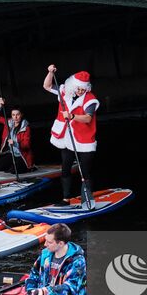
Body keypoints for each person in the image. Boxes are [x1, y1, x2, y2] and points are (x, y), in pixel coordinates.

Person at [43, 65, 99, 207]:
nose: (80, 91)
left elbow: (87, 118)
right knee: (65, 168)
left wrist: (72, 116)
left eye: (83, 89)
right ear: (73, 86)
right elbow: (47, 85)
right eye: (78, 88)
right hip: (67, 138)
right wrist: (50, 72)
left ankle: (86, 198)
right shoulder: (64, 92)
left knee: (85, 171)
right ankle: (66, 198)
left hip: (84, 139)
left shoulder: (90, 99)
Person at [0, 98, 34, 173]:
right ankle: (12, 166)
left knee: (13, 171)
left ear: (21, 115)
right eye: (13, 115)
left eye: (18, 114)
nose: (15, 117)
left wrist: (14, 143)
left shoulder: (25, 128)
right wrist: (0, 106)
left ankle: (30, 167)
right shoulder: (8, 122)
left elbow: (26, 145)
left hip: (22, 155)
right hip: (12, 154)